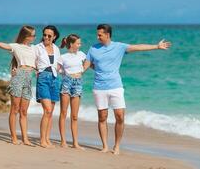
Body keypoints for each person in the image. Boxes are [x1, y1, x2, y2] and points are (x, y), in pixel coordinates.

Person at [83, 24, 171, 155]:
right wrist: (77, 73)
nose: (97, 37)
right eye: (97, 34)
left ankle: (117, 146)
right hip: (99, 87)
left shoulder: (119, 47)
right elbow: (86, 65)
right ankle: (105, 146)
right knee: (102, 117)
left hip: (116, 86)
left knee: (120, 116)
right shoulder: (93, 49)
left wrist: (156, 46)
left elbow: (138, 47)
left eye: (100, 34)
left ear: (107, 35)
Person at [34, 25, 62, 148]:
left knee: (50, 112)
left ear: (54, 37)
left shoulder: (56, 48)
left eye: (49, 35)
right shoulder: (37, 47)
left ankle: (47, 139)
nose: (46, 37)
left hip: (55, 79)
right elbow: (30, 60)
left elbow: (59, 64)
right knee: (47, 110)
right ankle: (42, 140)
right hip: (43, 78)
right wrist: (36, 70)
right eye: (44, 35)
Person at [59, 34, 86, 150]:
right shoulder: (63, 57)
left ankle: (75, 143)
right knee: (64, 113)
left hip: (78, 83)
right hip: (66, 82)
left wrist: (82, 71)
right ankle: (63, 141)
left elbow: (88, 63)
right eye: (78, 43)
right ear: (71, 44)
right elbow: (57, 69)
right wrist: (65, 74)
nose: (80, 45)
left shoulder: (81, 54)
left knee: (74, 116)